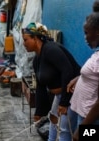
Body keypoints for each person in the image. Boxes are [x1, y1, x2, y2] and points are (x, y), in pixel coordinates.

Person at [22, 22, 80, 141]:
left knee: (64, 129)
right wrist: (39, 112)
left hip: (72, 92)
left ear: (36, 38)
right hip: (60, 95)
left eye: (26, 40)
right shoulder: (37, 59)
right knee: (53, 122)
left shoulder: (51, 50)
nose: (23, 43)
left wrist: (64, 102)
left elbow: (68, 72)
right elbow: (40, 86)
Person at [67, 2, 99, 141]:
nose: (85, 37)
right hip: (82, 112)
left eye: (86, 33)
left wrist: (83, 129)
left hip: (90, 119)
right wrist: (79, 78)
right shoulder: (97, 53)